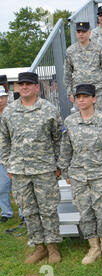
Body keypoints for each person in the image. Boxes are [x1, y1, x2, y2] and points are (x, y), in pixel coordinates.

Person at [0, 72, 63, 264]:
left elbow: (59, 139)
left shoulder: (49, 109)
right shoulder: (9, 112)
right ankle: (39, 247)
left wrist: (59, 164)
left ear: (36, 87)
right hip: (19, 171)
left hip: (44, 169)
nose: (24, 87)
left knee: (48, 209)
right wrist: (8, 164)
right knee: (29, 210)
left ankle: (53, 247)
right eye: (21, 84)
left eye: (29, 84)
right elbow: (4, 140)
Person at [59, 84, 102, 265]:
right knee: (85, 212)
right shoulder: (70, 122)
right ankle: (93, 247)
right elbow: (65, 149)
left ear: (94, 99)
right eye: (78, 96)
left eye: (85, 96)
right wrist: (65, 171)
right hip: (79, 174)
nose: (81, 100)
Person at [64, 22, 102, 114]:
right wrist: (70, 92)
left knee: (100, 117)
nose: (81, 34)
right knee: (81, 119)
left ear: (89, 32)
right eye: (78, 32)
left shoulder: (98, 49)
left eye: (84, 31)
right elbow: (67, 73)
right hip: (79, 92)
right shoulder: (70, 51)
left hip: (97, 91)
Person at [0, 86, 13, 223]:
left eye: (2, 97)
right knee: (1, 186)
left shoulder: (12, 113)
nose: (0, 100)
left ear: (6, 98)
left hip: (13, 154)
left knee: (19, 186)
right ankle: (6, 212)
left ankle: (24, 214)